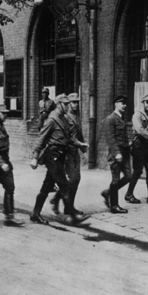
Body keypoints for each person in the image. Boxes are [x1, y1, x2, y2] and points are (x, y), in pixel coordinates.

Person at [30, 94, 89, 225]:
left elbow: (69, 137)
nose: (68, 106)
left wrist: (80, 144)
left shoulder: (62, 118)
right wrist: (35, 157)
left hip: (60, 156)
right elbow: (41, 138)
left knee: (46, 187)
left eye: (69, 104)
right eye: (66, 104)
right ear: (59, 105)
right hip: (53, 156)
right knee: (64, 185)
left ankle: (35, 214)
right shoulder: (52, 119)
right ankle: (73, 216)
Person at [50, 92, 84, 216]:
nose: (76, 105)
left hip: (75, 151)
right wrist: (80, 144)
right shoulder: (65, 118)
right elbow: (68, 136)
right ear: (68, 103)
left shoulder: (76, 116)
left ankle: (60, 200)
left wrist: (83, 147)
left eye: (77, 102)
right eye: (73, 102)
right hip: (68, 152)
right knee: (73, 179)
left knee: (76, 179)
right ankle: (67, 206)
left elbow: (79, 134)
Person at [102, 95, 132, 214]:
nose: (124, 105)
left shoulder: (121, 118)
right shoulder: (110, 119)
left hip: (125, 151)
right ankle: (114, 206)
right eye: (122, 103)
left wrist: (128, 143)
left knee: (129, 176)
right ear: (116, 104)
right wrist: (116, 153)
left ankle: (108, 193)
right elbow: (110, 139)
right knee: (115, 179)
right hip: (117, 153)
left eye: (125, 103)